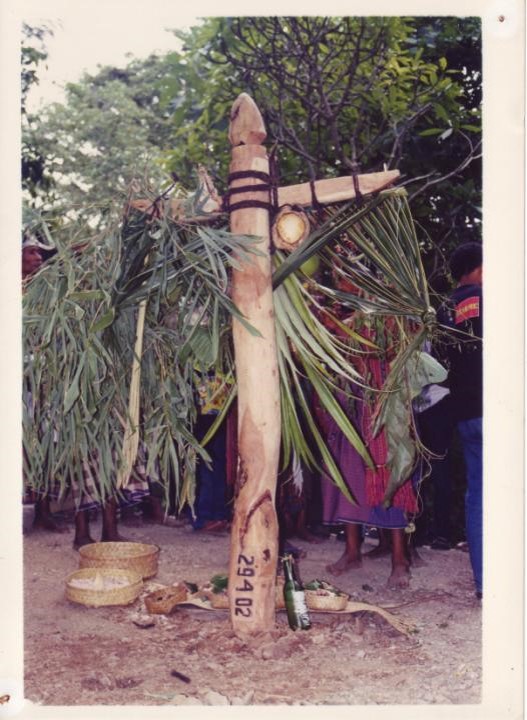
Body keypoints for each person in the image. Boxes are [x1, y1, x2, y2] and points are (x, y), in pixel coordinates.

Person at [439, 242, 483, 599]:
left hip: (465, 414)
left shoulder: (443, 309)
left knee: (478, 494)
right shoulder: (490, 300)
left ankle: (486, 582)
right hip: (496, 408)